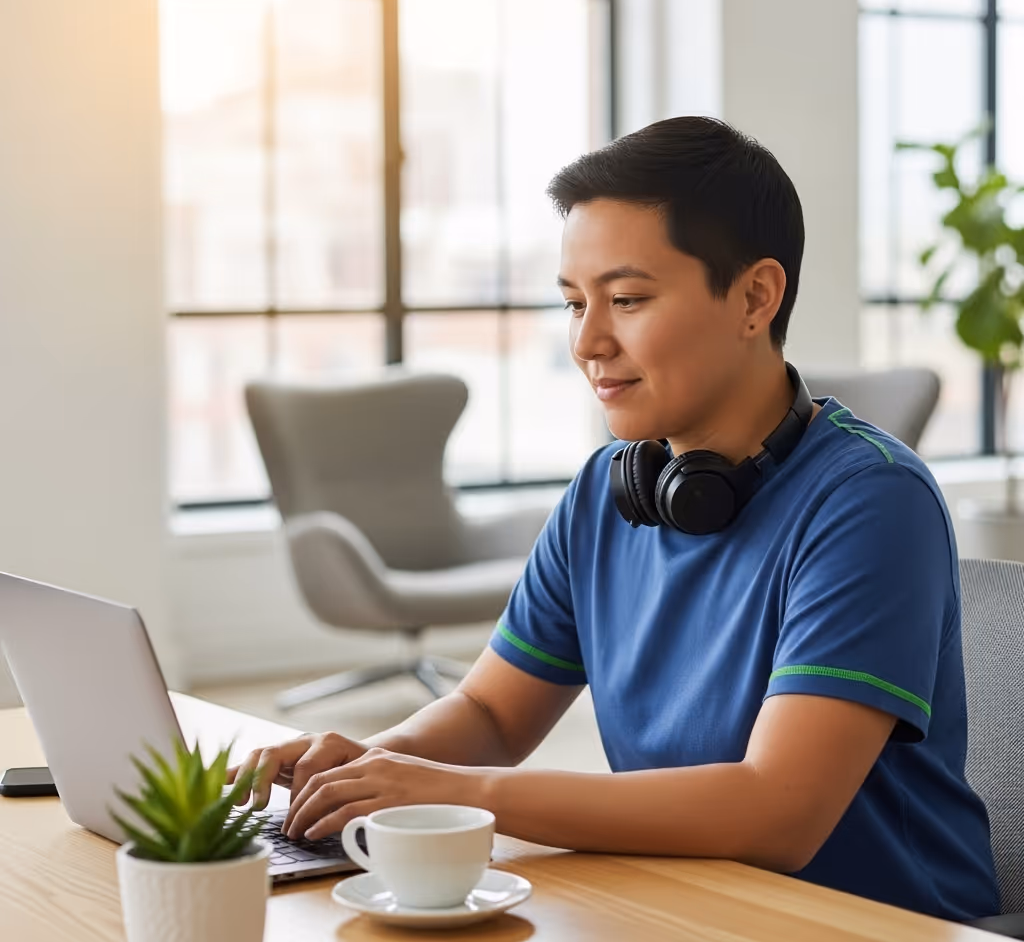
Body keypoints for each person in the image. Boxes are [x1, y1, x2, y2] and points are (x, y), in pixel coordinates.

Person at [230, 117, 999, 921]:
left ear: (755, 296)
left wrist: (465, 793)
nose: (589, 341)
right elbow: (492, 712)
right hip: (687, 903)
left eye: (627, 299)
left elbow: (778, 811)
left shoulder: (870, 499)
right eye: (574, 303)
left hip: (870, 924)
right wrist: (365, 767)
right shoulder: (608, 490)